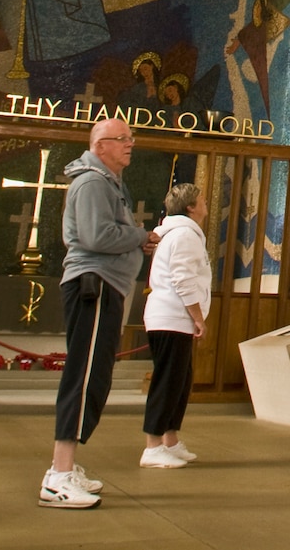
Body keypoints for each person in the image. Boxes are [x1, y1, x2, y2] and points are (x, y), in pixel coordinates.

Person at [41, 118, 158, 509]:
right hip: (94, 285)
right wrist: (140, 236)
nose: (130, 145)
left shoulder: (108, 184)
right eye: (123, 139)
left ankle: (66, 467)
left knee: (96, 374)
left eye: (131, 138)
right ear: (101, 145)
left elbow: (108, 232)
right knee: (86, 374)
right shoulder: (92, 182)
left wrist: (132, 241)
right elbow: (96, 237)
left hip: (107, 285)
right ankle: (58, 474)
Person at [140, 182, 210, 467]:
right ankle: (153, 445)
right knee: (168, 382)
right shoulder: (184, 235)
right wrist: (198, 317)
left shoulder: (180, 233)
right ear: (191, 207)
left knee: (180, 382)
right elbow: (183, 279)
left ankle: (170, 440)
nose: (206, 204)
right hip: (172, 316)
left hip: (173, 318)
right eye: (203, 200)